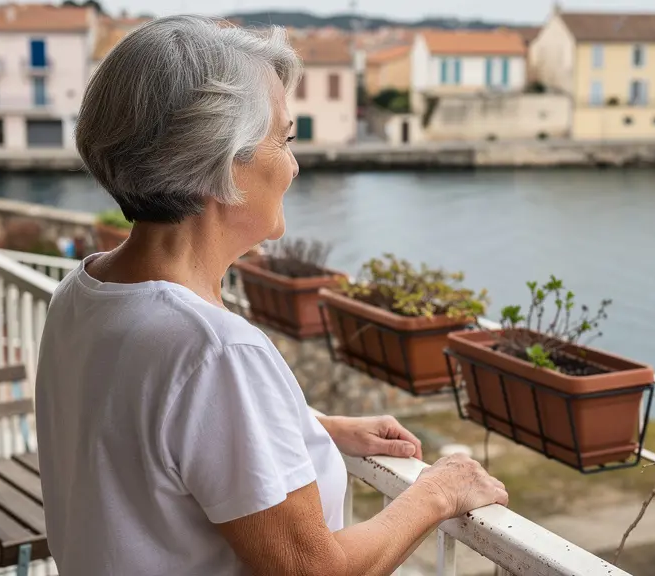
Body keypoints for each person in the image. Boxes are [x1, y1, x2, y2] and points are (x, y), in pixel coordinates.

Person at [33, 15, 508, 576]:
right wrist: (439, 491)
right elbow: (315, 572)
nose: (295, 163)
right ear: (220, 164)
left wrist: (311, 429)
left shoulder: (83, 292)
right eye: (284, 138)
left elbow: (148, 439)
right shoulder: (214, 351)